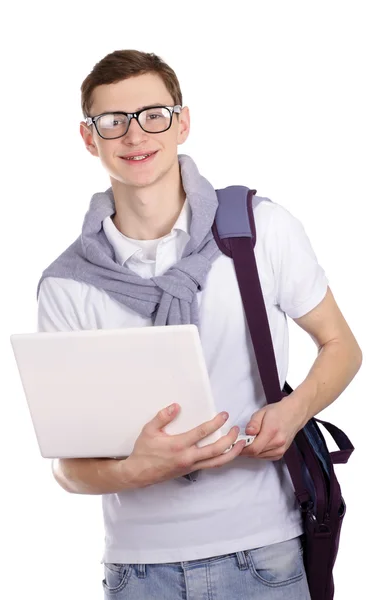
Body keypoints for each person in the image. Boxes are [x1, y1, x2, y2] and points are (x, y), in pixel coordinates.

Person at [37, 50, 362, 600]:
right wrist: (134, 469)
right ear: (90, 139)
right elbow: (68, 469)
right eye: (112, 122)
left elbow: (341, 346)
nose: (135, 135)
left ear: (182, 122)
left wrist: (295, 409)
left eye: (153, 114)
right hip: (140, 570)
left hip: (266, 551)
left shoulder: (259, 230)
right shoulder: (67, 285)